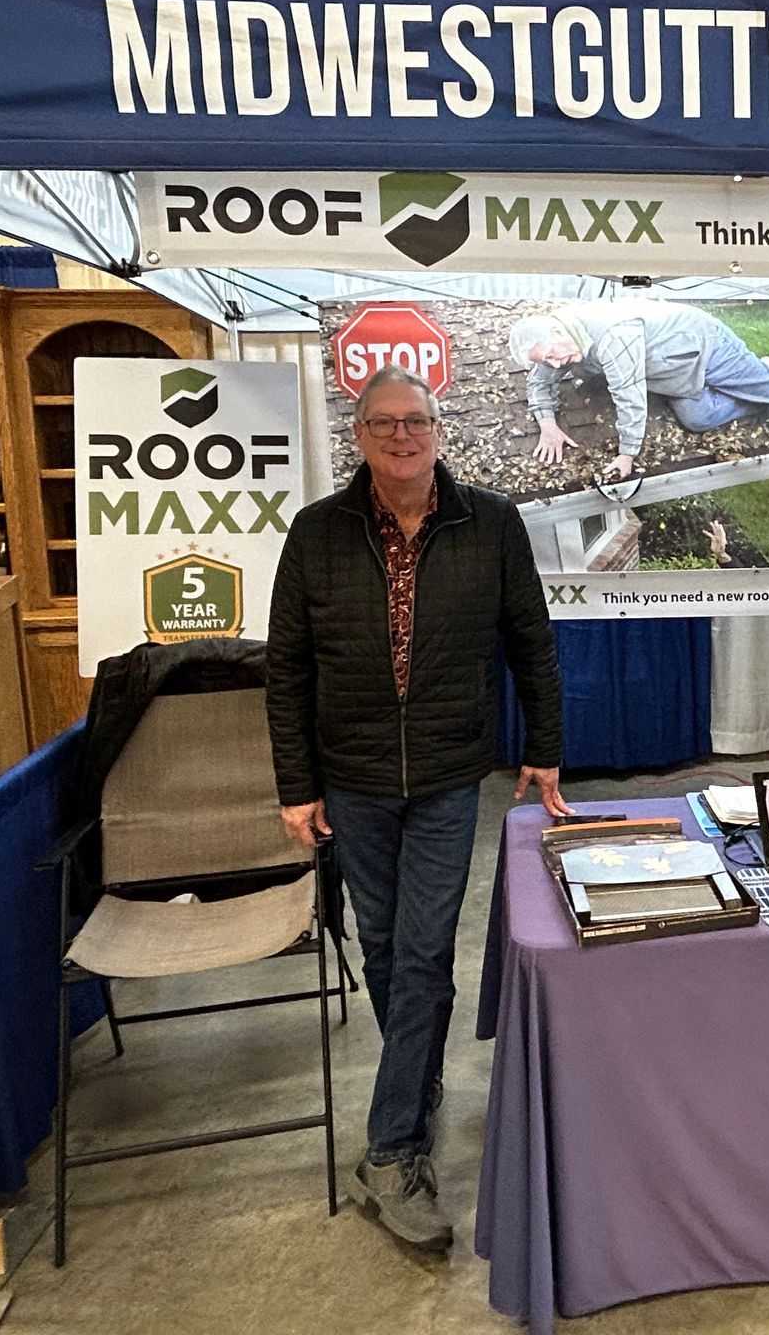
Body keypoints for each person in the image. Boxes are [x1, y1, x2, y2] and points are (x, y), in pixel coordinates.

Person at [266, 364, 568, 1254]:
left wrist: (544, 749)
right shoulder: (318, 533)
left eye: (418, 421)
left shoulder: (492, 523)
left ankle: (390, 1151)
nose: (403, 436)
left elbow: (531, 643)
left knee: (427, 951)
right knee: (391, 949)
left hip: (444, 777)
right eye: (384, 423)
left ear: (440, 431)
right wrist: (296, 783)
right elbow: (287, 668)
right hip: (351, 779)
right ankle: (417, 1081)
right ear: (358, 436)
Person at [508, 301, 769, 487]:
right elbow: (539, 380)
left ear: (557, 333)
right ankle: (765, 374)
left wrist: (626, 455)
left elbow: (629, 393)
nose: (556, 365)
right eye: (546, 360)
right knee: (697, 418)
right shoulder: (556, 340)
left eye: (553, 355)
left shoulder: (611, 336)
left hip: (706, 345)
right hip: (672, 370)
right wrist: (547, 423)